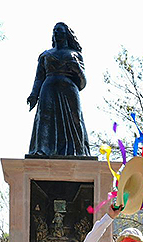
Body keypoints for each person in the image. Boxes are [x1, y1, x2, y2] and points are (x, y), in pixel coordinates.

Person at [27, 22, 90, 156]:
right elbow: (39, 78)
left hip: (69, 89)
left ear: (66, 34)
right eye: (54, 30)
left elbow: (82, 83)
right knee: (44, 117)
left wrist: (77, 70)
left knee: (75, 118)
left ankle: (78, 151)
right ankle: (42, 149)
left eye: (59, 30)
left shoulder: (75, 54)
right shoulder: (45, 55)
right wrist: (34, 94)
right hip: (48, 87)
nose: (56, 33)